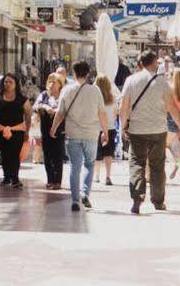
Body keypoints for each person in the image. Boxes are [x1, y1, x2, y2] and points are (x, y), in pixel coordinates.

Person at [118, 50, 177, 215]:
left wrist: (123, 126)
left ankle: (137, 197)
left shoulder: (131, 80)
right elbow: (171, 106)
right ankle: (158, 201)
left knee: (137, 163)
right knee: (157, 165)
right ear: (153, 63)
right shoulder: (162, 82)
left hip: (137, 130)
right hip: (158, 130)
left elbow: (124, 106)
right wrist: (179, 125)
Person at [53, 60, 108, 210]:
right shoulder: (95, 90)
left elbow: (60, 112)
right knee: (90, 164)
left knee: (75, 167)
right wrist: (105, 131)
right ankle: (85, 193)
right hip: (91, 134)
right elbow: (102, 113)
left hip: (72, 134)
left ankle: (75, 200)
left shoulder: (67, 90)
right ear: (88, 73)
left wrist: (54, 128)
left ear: (74, 72)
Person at [0, 74, 27, 189]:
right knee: (4, 154)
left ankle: (15, 179)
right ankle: (6, 177)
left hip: (17, 131)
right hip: (1, 130)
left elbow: (29, 113)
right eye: (6, 82)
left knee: (15, 155)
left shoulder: (21, 99)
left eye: (10, 82)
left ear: (16, 84)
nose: (7, 84)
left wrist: (27, 130)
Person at [35, 71, 66, 189]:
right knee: (47, 154)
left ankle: (57, 181)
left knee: (58, 154)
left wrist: (56, 110)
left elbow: (65, 109)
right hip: (46, 127)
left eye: (54, 82)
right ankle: (50, 179)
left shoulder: (63, 95)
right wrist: (45, 106)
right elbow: (36, 106)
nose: (51, 84)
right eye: (50, 81)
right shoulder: (44, 95)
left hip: (59, 128)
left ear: (60, 84)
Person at [95, 70, 119, 187]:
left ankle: (97, 175)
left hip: (97, 129)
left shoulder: (95, 99)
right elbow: (115, 114)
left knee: (97, 154)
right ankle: (108, 176)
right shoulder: (113, 99)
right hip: (110, 128)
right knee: (108, 153)